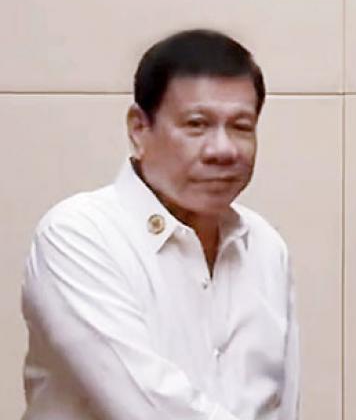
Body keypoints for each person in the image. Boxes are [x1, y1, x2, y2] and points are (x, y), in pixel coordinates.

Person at [22, 29, 298, 420]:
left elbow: (281, 406)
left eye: (241, 126)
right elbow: (151, 410)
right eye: (197, 124)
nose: (223, 150)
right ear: (139, 128)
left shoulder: (266, 246)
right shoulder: (78, 234)